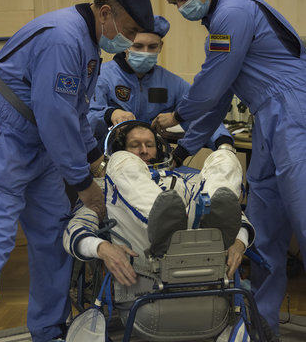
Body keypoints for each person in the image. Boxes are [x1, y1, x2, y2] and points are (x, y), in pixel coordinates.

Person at [0, 0, 155, 342]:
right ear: (105, 13)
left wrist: (95, 159)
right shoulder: (63, 38)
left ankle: (48, 328)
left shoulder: (89, 43)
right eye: (127, 28)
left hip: (37, 142)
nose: (128, 40)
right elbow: (56, 116)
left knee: (55, 233)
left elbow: (73, 112)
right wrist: (84, 184)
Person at [150, 0, 306, 335]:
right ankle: (261, 324)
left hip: (295, 111)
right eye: (174, 3)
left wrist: (178, 115)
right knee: (262, 227)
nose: (180, 7)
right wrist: (186, 148)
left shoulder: (233, 12)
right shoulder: (219, 26)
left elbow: (212, 82)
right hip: (268, 117)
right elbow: (220, 96)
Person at [63, 122, 254, 290]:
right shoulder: (103, 188)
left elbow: (235, 216)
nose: (144, 151)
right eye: (135, 145)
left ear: (160, 149)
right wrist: (102, 247)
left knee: (224, 157)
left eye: (149, 145)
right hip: (146, 263)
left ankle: (200, 233)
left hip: (205, 257)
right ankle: (165, 226)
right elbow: (74, 230)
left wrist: (239, 243)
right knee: (121, 161)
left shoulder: (185, 180)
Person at [87, 14, 233, 152]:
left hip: (154, 160)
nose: (145, 53)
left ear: (160, 47)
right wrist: (109, 114)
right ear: (125, 44)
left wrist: (222, 142)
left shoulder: (170, 83)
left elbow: (199, 113)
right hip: (108, 158)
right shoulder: (101, 76)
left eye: (152, 47)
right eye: (138, 46)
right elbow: (84, 120)